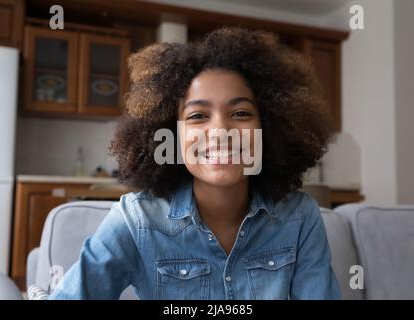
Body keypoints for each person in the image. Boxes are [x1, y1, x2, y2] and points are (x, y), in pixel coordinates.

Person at [48, 27, 341, 300]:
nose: (220, 132)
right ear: (172, 135)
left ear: (270, 128)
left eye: (240, 113)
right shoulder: (136, 221)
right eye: (197, 116)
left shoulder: (299, 217)